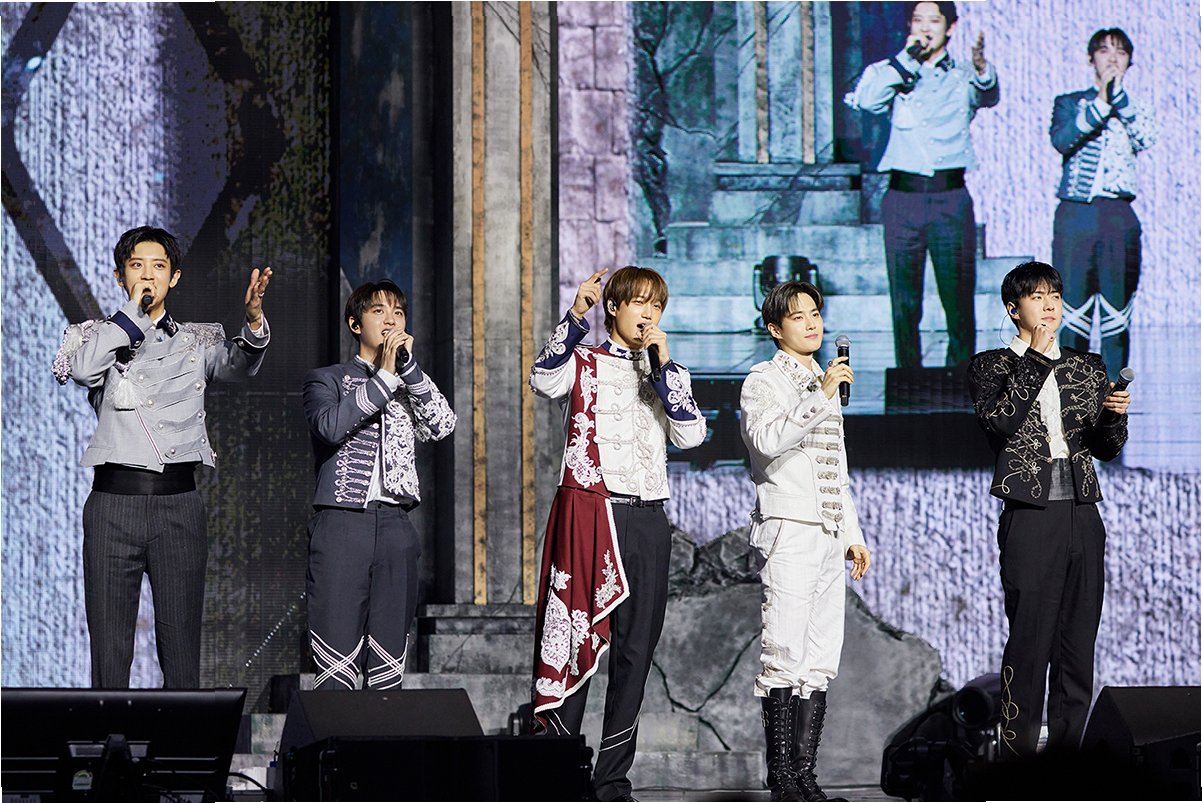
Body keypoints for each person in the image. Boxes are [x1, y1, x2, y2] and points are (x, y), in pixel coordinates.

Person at [52, 225, 272, 688]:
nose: (148, 275)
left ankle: (180, 738)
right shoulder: (96, 336)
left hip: (179, 507)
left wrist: (253, 320)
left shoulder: (195, 340)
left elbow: (238, 365)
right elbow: (85, 371)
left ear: (175, 277)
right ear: (120, 276)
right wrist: (131, 315)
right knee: (110, 653)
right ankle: (109, 735)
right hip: (114, 505)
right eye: (137, 266)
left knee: (180, 649)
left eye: (158, 266)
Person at [529, 265, 706, 802]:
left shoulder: (668, 372)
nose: (649, 314)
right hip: (593, 515)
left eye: (657, 305)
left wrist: (663, 368)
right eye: (639, 303)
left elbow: (692, 434)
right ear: (614, 307)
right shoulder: (583, 360)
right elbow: (543, 380)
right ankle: (559, 773)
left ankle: (611, 779)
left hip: (648, 519)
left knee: (635, 651)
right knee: (574, 636)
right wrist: (574, 315)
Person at [967, 262, 1130, 758]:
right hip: (1031, 514)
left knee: (1077, 645)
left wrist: (1113, 417)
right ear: (1013, 309)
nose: (1050, 305)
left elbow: (1105, 448)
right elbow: (1001, 423)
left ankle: (1064, 760)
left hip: (1082, 511)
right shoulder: (991, 366)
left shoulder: (1087, 366)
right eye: (1037, 297)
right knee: (1030, 640)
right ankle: (1016, 760)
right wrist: (1036, 358)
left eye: (1055, 296)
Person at [739, 282, 872, 801]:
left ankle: (804, 775)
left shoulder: (823, 378)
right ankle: (781, 779)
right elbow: (766, 441)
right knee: (785, 651)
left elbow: (835, 467)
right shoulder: (763, 380)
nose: (812, 323)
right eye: (799, 317)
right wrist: (821, 396)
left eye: (815, 313)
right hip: (789, 528)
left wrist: (853, 534)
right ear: (776, 328)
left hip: (829, 532)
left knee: (820, 656)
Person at [301, 279, 456, 691]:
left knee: (389, 662)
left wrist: (408, 371)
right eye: (378, 311)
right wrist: (385, 378)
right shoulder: (327, 379)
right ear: (355, 324)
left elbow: (443, 425)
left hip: (395, 527)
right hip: (342, 524)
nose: (391, 320)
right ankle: (334, 733)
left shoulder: (411, 384)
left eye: (398, 313)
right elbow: (330, 427)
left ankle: (382, 729)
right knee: (336, 660)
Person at [845, 1, 998, 368]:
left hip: (950, 197)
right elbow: (867, 102)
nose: (926, 28)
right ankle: (908, 378)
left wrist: (982, 67)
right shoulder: (890, 70)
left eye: (934, 20)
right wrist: (905, 60)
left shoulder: (965, 74)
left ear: (951, 27)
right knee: (905, 300)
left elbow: (988, 94)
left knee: (958, 297)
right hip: (903, 198)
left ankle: (960, 379)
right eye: (918, 20)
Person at [1051, 28, 1157, 374]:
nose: (1112, 58)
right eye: (1104, 51)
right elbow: (1062, 140)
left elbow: (1145, 138)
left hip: (1118, 215)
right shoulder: (1069, 103)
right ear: (1090, 59)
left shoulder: (1136, 108)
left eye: (1121, 52)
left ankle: (1113, 395)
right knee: (1072, 310)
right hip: (1075, 215)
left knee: (1117, 312)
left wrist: (1118, 99)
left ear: (1129, 62)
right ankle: (1072, 393)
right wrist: (1101, 102)